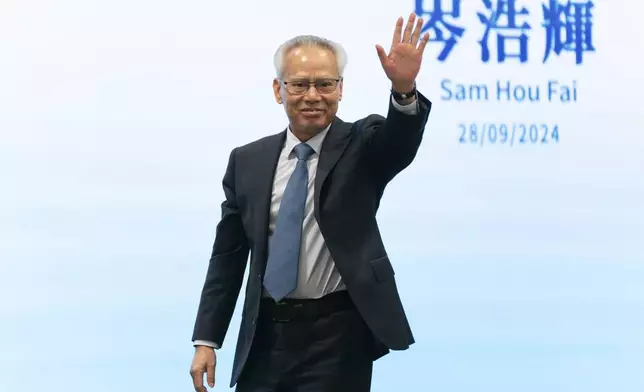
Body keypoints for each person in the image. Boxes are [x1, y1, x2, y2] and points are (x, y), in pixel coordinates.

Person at [189, 13, 432, 392]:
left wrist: (403, 90)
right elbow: (228, 257)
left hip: (337, 335)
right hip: (265, 335)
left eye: (325, 84)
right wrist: (207, 338)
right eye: (300, 84)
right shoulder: (247, 161)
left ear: (340, 88)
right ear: (278, 90)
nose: (313, 96)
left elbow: (399, 143)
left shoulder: (363, 143)